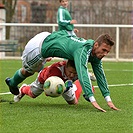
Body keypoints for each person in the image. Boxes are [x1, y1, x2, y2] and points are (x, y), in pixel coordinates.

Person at [5, 30, 119, 112]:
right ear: (96, 44)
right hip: (37, 48)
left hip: (49, 38)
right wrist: (92, 99)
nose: (105, 54)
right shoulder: (83, 50)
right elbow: (82, 71)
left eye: (107, 52)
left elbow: (100, 75)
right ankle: (12, 83)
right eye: (104, 50)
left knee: (74, 90)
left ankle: (73, 86)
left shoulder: (93, 53)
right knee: (28, 71)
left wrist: (108, 99)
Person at [14, 60, 94, 105]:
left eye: (75, 73)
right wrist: (63, 88)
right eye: (70, 72)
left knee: (73, 103)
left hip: (65, 83)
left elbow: (88, 84)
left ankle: (80, 81)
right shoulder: (54, 71)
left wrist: (90, 92)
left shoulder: (78, 71)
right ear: (66, 66)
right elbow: (48, 93)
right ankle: (23, 89)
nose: (72, 75)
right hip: (44, 80)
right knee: (32, 94)